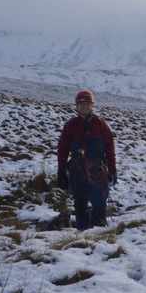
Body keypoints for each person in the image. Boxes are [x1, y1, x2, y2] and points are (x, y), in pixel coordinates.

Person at [57, 90, 117, 230]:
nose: (84, 107)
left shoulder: (101, 125)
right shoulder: (70, 126)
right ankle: (82, 232)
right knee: (80, 202)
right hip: (77, 171)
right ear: (77, 106)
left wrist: (112, 169)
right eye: (81, 104)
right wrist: (61, 172)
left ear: (92, 105)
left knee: (99, 202)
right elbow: (63, 150)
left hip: (97, 170)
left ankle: (99, 233)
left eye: (88, 104)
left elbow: (110, 148)